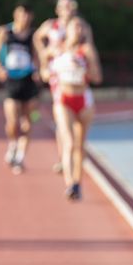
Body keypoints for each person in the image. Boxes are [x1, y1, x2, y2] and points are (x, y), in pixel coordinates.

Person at [43, 18, 102, 201]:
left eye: (81, 27)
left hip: (83, 99)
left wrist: (84, 70)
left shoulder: (87, 51)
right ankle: (70, 184)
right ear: (66, 30)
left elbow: (98, 77)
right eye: (74, 27)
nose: (78, 30)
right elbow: (44, 72)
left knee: (79, 145)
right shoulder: (56, 49)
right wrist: (51, 72)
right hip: (64, 99)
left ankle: (78, 182)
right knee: (68, 142)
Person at [34, 0, 91, 174]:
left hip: (76, 72)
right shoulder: (50, 26)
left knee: (76, 118)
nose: (68, 9)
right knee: (62, 114)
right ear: (58, 9)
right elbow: (37, 38)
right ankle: (64, 154)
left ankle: (75, 150)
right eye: (64, 6)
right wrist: (44, 59)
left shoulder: (81, 26)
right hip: (58, 74)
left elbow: (89, 46)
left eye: (71, 6)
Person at [0, 1, 39, 174]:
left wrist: (39, 70)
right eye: (21, 13)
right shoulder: (4, 32)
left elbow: (39, 56)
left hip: (29, 80)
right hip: (11, 79)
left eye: (27, 14)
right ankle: (12, 144)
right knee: (12, 120)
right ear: (15, 14)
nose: (24, 17)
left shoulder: (34, 35)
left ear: (30, 16)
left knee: (28, 122)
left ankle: (20, 157)